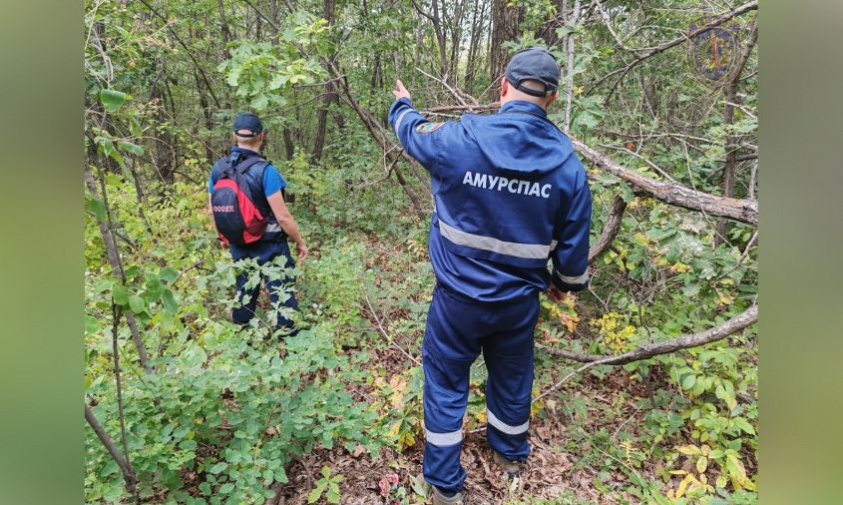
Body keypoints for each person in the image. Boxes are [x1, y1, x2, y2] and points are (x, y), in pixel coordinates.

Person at [388, 48, 592, 504]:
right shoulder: (567, 167)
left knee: (443, 383)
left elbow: (412, 134)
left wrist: (402, 104)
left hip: (456, 302)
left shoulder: (460, 138)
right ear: (553, 99)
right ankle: (509, 456)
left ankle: (444, 486)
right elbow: (574, 255)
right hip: (518, 306)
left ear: (503, 87)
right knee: (513, 377)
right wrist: (562, 285)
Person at [208, 113, 308, 336]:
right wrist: (299, 242)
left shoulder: (218, 169)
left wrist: (222, 237)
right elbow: (283, 217)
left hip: (238, 243)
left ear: (235, 135)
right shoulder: (266, 171)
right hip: (270, 245)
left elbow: (212, 210)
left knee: (244, 289)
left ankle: (242, 337)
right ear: (262, 136)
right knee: (281, 290)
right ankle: (289, 339)